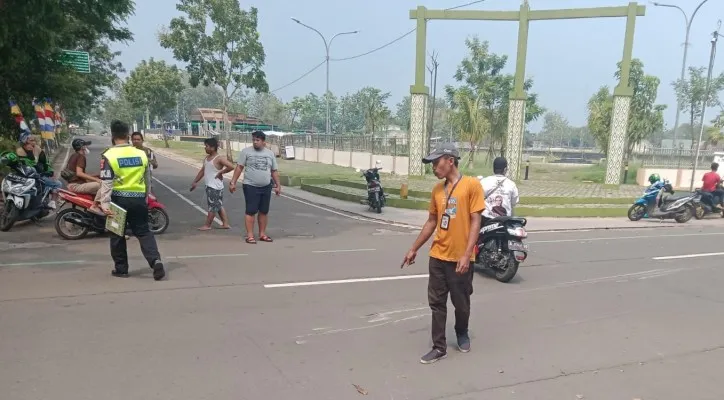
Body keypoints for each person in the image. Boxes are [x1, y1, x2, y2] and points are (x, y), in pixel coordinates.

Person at [401, 143, 485, 364]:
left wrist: (467, 254)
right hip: (438, 256)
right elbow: (431, 222)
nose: (433, 168)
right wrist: (414, 248)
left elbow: (476, 221)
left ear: (450, 161)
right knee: (436, 303)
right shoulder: (437, 190)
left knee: (462, 303)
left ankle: (462, 331)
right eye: (431, 164)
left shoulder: (471, 185)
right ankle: (439, 347)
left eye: (435, 163)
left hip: (460, 258)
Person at [95, 120, 165, 281]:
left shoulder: (108, 155)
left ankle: (121, 269)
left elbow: (106, 182)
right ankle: (155, 261)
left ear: (112, 136)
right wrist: (147, 195)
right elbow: (147, 177)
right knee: (144, 232)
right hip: (139, 198)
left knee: (116, 234)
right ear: (128, 135)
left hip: (118, 200)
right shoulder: (141, 154)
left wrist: (104, 204)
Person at [229, 130, 282, 244]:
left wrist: (278, 185)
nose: (255, 142)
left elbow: (274, 170)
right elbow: (239, 167)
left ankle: (262, 234)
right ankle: (250, 235)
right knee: (251, 211)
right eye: (253, 140)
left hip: (266, 186)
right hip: (250, 186)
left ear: (263, 142)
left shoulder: (270, 154)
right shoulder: (246, 152)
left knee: (264, 211)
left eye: (257, 140)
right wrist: (233, 182)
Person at [190, 137, 234, 230]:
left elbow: (231, 166)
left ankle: (207, 225)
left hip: (215, 187)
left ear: (213, 148)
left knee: (213, 206)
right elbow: (202, 171)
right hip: (209, 185)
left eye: (207, 146)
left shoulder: (219, 159)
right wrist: (195, 181)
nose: (205, 148)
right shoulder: (207, 158)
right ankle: (225, 223)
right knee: (218, 205)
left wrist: (221, 172)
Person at [15, 132, 61, 209]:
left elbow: (45, 162)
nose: (34, 142)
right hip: (25, 176)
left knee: (56, 183)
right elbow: (29, 164)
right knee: (58, 184)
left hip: (37, 175)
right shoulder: (20, 151)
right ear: (24, 141)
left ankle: (51, 202)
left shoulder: (38, 149)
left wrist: (50, 171)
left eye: (34, 140)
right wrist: (30, 153)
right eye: (31, 140)